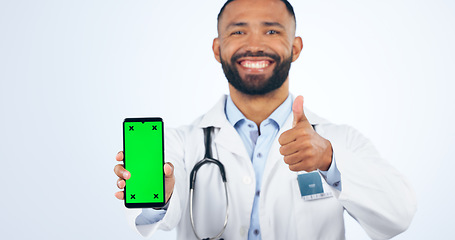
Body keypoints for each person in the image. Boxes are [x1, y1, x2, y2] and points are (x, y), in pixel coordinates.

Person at [114, 0, 416, 239]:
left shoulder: (340, 139)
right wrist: (162, 197)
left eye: (272, 31)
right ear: (218, 49)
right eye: (238, 31)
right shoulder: (182, 143)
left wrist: (329, 160)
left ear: (295, 47)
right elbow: (157, 218)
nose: (255, 44)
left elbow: (399, 215)